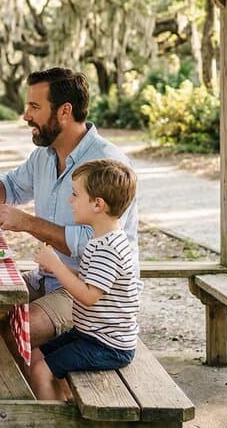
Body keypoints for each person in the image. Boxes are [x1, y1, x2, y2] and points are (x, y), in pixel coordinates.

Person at [0, 67, 138, 348]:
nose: (26, 115)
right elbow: (11, 186)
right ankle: (41, 384)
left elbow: (96, 243)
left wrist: (27, 223)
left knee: (15, 332)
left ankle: (43, 387)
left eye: (34, 107)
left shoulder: (107, 164)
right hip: (45, 277)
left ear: (64, 111)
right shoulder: (44, 154)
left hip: (89, 294)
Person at [28, 159, 140, 400]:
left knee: (40, 369)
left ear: (97, 204)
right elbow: (91, 279)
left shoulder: (109, 248)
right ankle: (58, 403)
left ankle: (50, 421)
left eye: (75, 194)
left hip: (108, 344)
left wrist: (56, 265)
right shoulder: (100, 240)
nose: (70, 200)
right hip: (89, 333)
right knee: (34, 353)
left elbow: (89, 296)